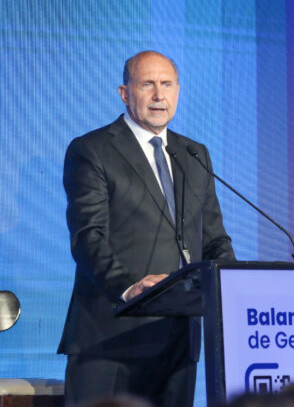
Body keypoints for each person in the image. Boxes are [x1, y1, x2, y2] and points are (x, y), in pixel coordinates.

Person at [58, 51, 235, 407]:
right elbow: (88, 237)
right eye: (147, 84)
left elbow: (214, 239)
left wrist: (230, 287)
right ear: (125, 93)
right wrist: (129, 289)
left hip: (179, 340)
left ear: (178, 91)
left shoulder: (194, 154)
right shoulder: (92, 150)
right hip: (111, 338)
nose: (158, 95)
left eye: (166, 85)